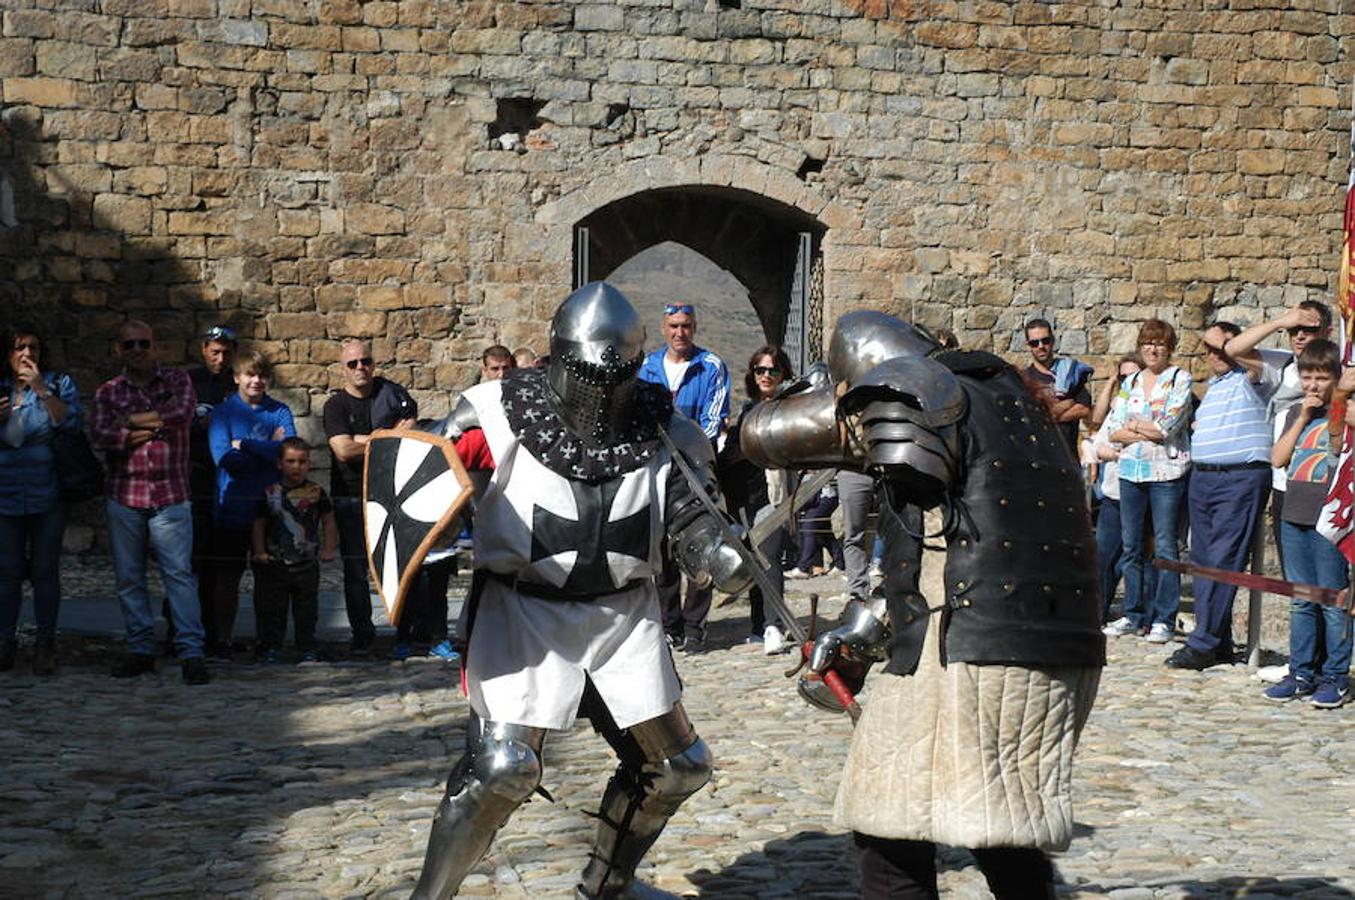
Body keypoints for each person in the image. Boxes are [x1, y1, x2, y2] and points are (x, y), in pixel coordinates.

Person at [367, 282, 752, 899]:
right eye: (588, 375)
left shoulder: (667, 429)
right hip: (523, 615)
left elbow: (692, 518)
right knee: (499, 771)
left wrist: (718, 551)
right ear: (560, 359)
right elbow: (428, 483)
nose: (602, 393)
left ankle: (606, 886)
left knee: (678, 767)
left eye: (617, 376)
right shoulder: (490, 414)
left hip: (623, 621)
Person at [739, 310, 1104, 898]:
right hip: (1037, 644)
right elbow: (952, 546)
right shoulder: (1007, 395)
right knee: (1000, 831)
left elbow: (761, 437)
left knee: (898, 835)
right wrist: (862, 635)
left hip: (975, 655)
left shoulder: (916, 387)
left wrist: (831, 397)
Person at [92, 320, 209, 684]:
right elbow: (101, 434)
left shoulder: (176, 381)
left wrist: (130, 424)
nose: (137, 350)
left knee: (179, 577)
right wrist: (150, 428)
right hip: (125, 496)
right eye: (130, 345)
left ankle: (191, 652)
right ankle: (140, 649)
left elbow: (182, 415)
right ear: (119, 350)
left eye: (144, 343)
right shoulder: (107, 392)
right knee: (129, 579)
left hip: (170, 494)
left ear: (154, 345)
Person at [1164, 323, 1282, 670]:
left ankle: (1202, 643)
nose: (1213, 355)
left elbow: (1233, 351)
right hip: (1205, 478)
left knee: (1222, 559)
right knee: (1203, 560)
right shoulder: (1216, 386)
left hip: (1239, 477)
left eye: (1219, 349)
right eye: (1210, 351)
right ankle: (1219, 639)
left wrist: (1221, 338)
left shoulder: (1255, 376)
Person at [638, 302, 731, 651]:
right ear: (664, 329)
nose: (680, 332)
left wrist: (689, 450)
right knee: (660, 550)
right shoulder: (647, 367)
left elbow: (713, 416)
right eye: (674, 326)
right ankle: (669, 623)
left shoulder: (710, 367)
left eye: (686, 326)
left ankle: (695, 626)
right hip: (656, 467)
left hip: (696, 468)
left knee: (701, 544)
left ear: (694, 327)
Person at [1263, 341, 1351, 708]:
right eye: (1307, 376)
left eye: (1321, 377)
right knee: (1301, 601)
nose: (1313, 385)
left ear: (1336, 378)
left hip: (1327, 520)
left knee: (1332, 601)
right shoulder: (1293, 413)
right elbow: (1278, 459)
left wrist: (1338, 403)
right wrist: (1301, 417)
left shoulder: (1344, 414)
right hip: (1294, 515)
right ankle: (1301, 671)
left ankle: (1336, 675)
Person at [1101, 319, 1194, 643]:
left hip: (1165, 473)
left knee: (1166, 545)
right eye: (1148, 344)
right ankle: (1133, 613)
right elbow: (1113, 428)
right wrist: (1147, 427)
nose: (1153, 349)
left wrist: (1137, 425)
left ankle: (1164, 618)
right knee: (1131, 547)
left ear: (1169, 348)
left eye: (1160, 344)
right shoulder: (1132, 381)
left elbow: (1168, 427)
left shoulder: (1179, 379)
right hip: (1131, 471)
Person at [323, 339, 417, 653]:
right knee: (355, 570)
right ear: (343, 369)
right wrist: (386, 437)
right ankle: (362, 635)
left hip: (389, 494)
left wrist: (363, 440)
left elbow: (411, 436)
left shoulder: (392, 394)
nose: (360, 368)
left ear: (373, 364)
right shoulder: (335, 406)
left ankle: (403, 635)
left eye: (365, 361)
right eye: (353, 364)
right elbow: (343, 449)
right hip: (351, 497)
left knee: (397, 564)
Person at [1224, 301, 1333, 570]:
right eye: (1294, 329)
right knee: (1295, 575)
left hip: (1324, 480)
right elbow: (1232, 349)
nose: (1299, 335)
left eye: (1308, 329)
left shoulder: (1339, 368)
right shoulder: (1283, 364)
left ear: (1327, 332)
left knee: (1330, 577)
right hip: (1286, 481)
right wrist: (1278, 322)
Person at [0, 324, 82, 676]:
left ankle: (45, 642)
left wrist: (40, 389)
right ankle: (5, 641)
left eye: (33, 346)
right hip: (4, 495)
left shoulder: (57, 384)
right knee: (6, 572)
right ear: (8, 353)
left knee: (45, 571)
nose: (27, 353)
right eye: (20, 347)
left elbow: (72, 422)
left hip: (47, 493)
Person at [207, 350, 295, 658]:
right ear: (237, 378)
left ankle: (267, 641)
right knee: (227, 578)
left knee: (269, 579)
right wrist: (268, 449)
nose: (256, 381)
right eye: (250, 375)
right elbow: (223, 458)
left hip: (270, 508)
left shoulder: (280, 410)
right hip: (232, 507)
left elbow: (289, 455)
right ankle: (223, 640)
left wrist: (244, 444)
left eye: (262, 376)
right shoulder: (223, 413)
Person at [717, 345, 795, 654]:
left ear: (782, 373)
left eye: (772, 370)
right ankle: (757, 624)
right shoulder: (748, 410)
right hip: (744, 495)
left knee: (769, 556)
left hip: (774, 493)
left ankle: (773, 624)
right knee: (752, 559)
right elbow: (732, 455)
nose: (766, 375)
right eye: (760, 370)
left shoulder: (790, 407)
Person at [251, 437, 336, 663]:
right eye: (290, 461)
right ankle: (271, 647)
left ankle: (306, 647)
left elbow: (328, 521)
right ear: (280, 464)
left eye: (302, 461)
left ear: (309, 464)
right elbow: (259, 523)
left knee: (307, 609)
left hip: (306, 563)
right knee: (273, 610)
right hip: (275, 562)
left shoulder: (316, 492)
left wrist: (328, 548)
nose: (296, 466)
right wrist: (259, 551)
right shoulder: (270, 492)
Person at [186, 324, 237, 650]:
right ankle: (188, 630)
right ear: (204, 350)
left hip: (230, 481)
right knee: (193, 561)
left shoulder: (237, 383)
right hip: (196, 476)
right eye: (214, 351)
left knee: (224, 564)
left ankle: (220, 635)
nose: (220, 358)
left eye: (226, 353)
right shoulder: (188, 382)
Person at [1088, 354, 1146, 624]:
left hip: (1142, 493)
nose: (1129, 382)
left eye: (1134, 376)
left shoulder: (1151, 406)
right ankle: (1096, 613)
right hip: (1113, 494)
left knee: (1134, 559)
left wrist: (1117, 447)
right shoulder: (1118, 408)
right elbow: (1098, 442)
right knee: (1103, 557)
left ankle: (1140, 617)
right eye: (1124, 377)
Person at [1023, 317, 1093, 458]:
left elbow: (1084, 408)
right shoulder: (1024, 380)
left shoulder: (1070, 372)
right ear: (1028, 346)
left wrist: (1046, 416)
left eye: (1045, 341)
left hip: (1068, 457)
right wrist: (1066, 404)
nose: (1041, 346)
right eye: (1034, 343)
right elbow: (1028, 418)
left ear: (1053, 340)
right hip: (1038, 458)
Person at [787, 477, 845, 578]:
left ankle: (803, 567)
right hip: (819, 496)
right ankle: (840, 564)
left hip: (824, 495)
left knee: (809, 525)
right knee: (824, 533)